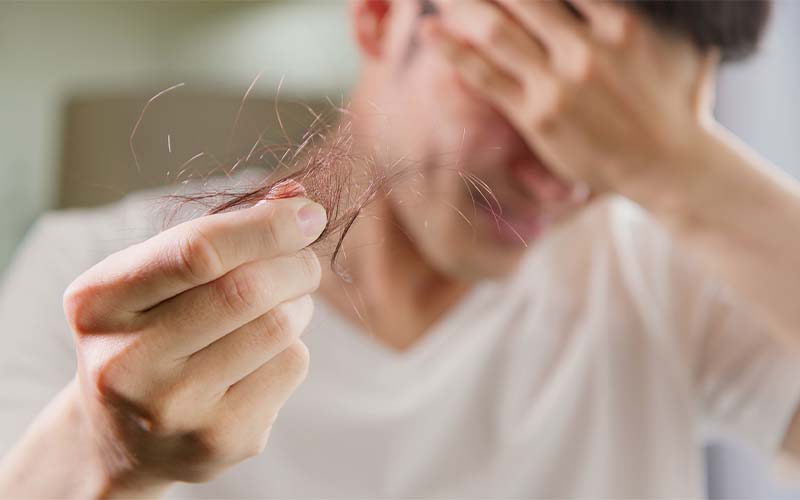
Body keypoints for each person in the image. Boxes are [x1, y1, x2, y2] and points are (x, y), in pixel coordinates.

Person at [1, 0, 798, 497]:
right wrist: (104, 456)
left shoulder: (675, 277)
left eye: (621, 132)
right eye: (525, 88)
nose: (562, 178)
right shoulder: (92, 276)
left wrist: (688, 174)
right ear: (381, 14)